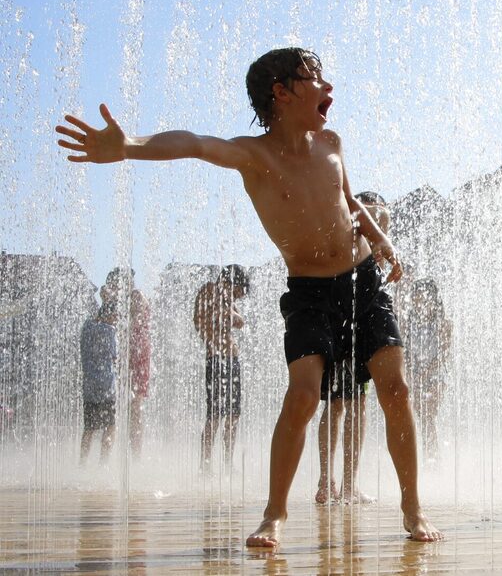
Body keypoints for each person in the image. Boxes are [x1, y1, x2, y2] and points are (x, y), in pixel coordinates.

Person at [57, 47, 441, 545]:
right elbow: (193, 143)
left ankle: (412, 507)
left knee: (396, 390)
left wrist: (383, 240)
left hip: (362, 279)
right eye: (314, 79)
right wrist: (128, 144)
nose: (328, 88)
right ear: (281, 93)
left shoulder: (331, 142)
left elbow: (350, 203)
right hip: (309, 292)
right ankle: (275, 513)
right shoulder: (253, 156)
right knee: (303, 397)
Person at [315, 191, 390, 505]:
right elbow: (379, 255)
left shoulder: (336, 227)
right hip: (354, 319)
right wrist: (379, 219)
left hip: (331, 317)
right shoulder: (368, 218)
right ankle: (346, 485)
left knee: (335, 404)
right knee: (354, 405)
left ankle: (326, 482)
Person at [193, 264, 249, 472]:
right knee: (215, 415)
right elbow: (200, 321)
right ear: (230, 282)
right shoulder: (209, 290)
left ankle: (227, 462)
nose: (238, 297)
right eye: (238, 292)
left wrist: (229, 311)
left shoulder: (226, 299)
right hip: (216, 359)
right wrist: (225, 312)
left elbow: (239, 321)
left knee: (234, 414)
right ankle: (205, 464)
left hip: (231, 360)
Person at [101, 267, 151, 459]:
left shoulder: (137, 296)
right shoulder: (123, 301)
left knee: (135, 408)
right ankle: (112, 456)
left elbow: (134, 320)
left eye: (115, 284)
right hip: (125, 357)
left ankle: (136, 456)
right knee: (117, 406)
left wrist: (111, 299)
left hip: (137, 357)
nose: (113, 288)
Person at [401, 278, 451, 463]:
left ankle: (432, 456)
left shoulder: (444, 324)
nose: (419, 302)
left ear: (433, 300)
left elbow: (443, 356)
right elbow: (404, 353)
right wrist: (412, 374)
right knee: (423, 417)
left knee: (428, 411)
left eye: (423, 298)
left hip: (436, 373)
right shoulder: (408, 324)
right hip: (415, 372)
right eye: (416, 298)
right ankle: (430, 456)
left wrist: (426, 373)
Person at [79, 300, 118, 465]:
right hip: (106, 387)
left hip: (89, 387)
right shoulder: (110, 331)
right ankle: (103, 464)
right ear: (110, 315)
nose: (116, 320)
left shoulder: (86, 329)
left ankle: (82, 464)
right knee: (110, 427)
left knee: (89, 428)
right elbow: (115, 357)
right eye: (115, 316)